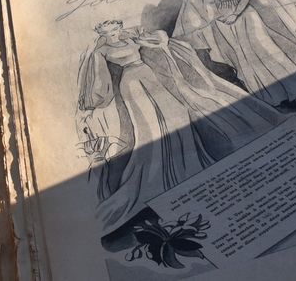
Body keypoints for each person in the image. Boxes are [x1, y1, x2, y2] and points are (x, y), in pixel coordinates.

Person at [77, 19, 283, 233]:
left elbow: (160, 42)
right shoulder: (100, 51)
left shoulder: (130, 37)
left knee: (177, 116)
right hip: (131, 84)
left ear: (119, 28)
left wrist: (161, 43)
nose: (113, 36)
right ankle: (156, 174)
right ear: (101, 33)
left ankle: (187, 161)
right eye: (108, 33)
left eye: (115, 31)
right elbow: (99, 82)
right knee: (149, 128)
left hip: (150, 76)